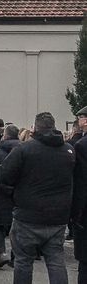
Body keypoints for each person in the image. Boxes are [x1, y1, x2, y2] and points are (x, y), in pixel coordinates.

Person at [0, 112, 75, 284]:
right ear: (54, 127)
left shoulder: (24, 149)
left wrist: (14, 198)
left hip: (27, 216)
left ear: (35, 127)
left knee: (23, 262)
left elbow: (5, 177)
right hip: (58, 216)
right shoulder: (68, 151)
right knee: (56, 261)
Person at [0, 123, 19, 270]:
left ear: (5, 135)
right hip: (19, 195)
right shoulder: (23, 151)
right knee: (17, 227)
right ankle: (15, 256)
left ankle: (1, 253)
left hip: (0, 195)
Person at [72, 106, 87, 284]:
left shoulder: (82, 146)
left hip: (85, 213)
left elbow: (81, 183)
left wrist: (76, 214)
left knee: (84, 261)